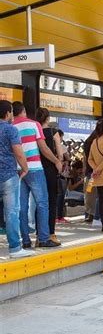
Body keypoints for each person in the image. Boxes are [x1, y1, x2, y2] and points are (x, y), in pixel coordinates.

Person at [12, 102, 61, 248]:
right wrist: (56, 161)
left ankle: (26, 241)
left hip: (18, 170)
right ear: (24, 110)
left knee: (22, 207)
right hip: (34, 169)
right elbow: (43, 148)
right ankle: (43, 238)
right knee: (42, 203)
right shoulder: (34, 125)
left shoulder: (11, 127)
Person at [0, 100, 34, 258]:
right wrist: (25, 168)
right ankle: (14, 248)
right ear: (7, 113)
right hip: (8, 175)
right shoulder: (10, 129)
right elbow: (19, 152)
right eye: (12, 111)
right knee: (11, 212)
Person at [36, 107, 64, 243]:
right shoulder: (54, 133)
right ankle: (51, 233)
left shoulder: (35, 131)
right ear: (48, 118)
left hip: (37, 169)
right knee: (52, 202)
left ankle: (39, 234)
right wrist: (59, 162)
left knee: (40, 202)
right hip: (51, 170)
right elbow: (60, 153)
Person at [83, 129, 97, 222]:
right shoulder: (97, 143)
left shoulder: (87, 143)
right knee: (99, 194)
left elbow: (84, 157)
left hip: (90, 173)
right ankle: (95, 214)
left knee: (89, 193)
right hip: (98, 173)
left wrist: (85, 168)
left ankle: (90, 213)